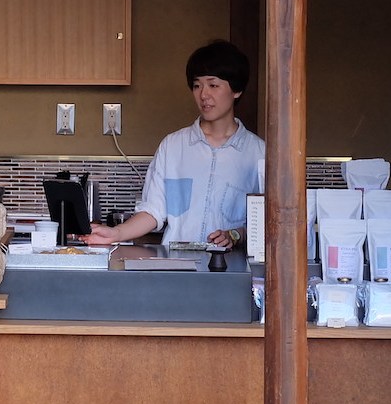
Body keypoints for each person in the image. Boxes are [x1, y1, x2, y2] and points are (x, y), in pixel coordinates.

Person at [85, 40, 265, 249]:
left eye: (213, 85)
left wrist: (235, 234)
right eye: (197, 85)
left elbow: (267, 223)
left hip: (230, 271)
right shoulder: (173, 146)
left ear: (237, 90)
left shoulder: (259, 153)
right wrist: (115, 233)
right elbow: (153, 211)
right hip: (177, 267)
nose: (203, 94)